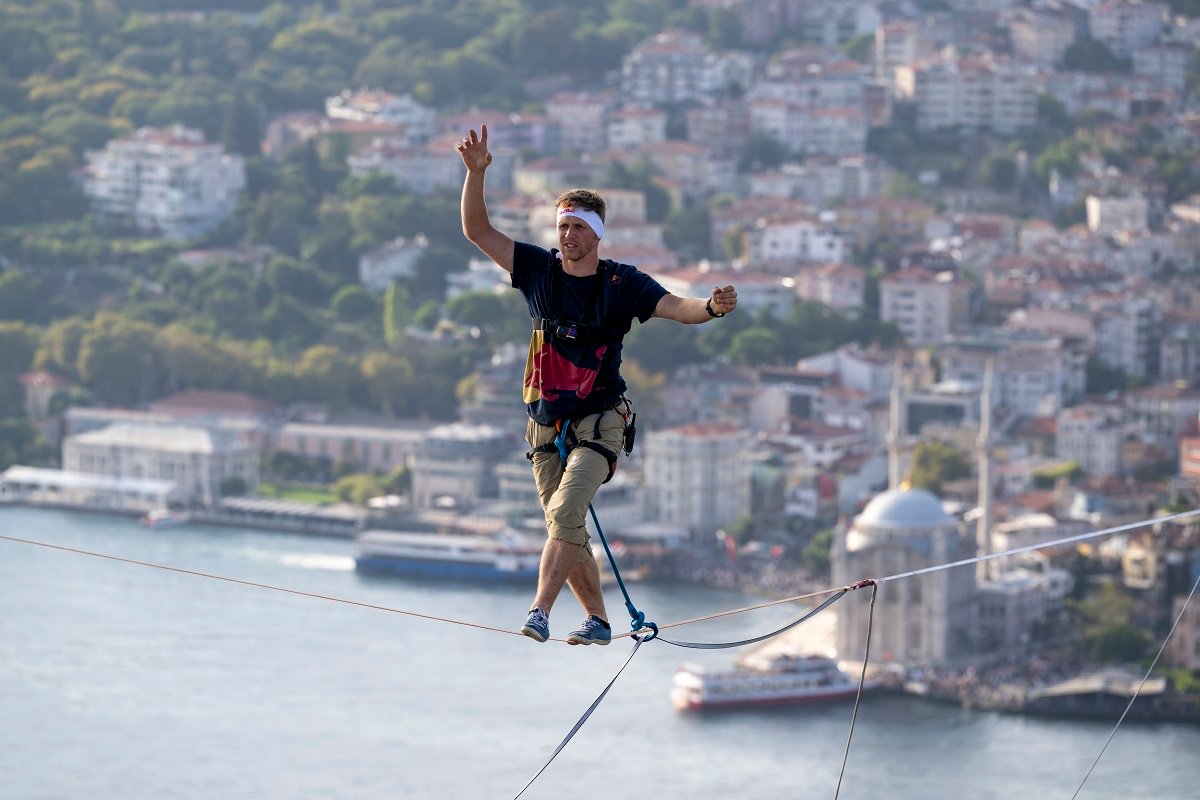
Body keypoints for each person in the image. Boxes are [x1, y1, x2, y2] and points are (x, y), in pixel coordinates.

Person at [457, 124, 737, 646]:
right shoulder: (537, 270)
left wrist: (712, 308)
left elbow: (677, 307)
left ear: (597, 234)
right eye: (563, 226)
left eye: (578, 227)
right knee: (565, 529)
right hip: (543, 423)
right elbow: (478, 229)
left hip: (600, 420)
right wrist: (476, 175)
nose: (567, 236)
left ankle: (539, 611)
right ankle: (599, 621)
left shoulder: (621, 283)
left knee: (565, 513)